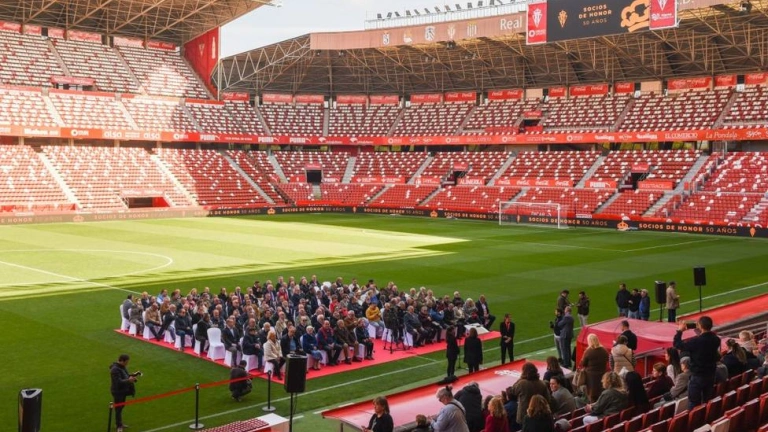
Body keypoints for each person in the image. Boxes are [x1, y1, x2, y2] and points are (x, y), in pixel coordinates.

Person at [673, 315, 721, 408]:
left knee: (694, 402)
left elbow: (677, 344)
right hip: (710, 374)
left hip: (698, 375)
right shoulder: (716, 339)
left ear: (700, 326)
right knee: (707, 400)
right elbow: (705, 336)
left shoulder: (696, 341)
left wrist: (680, 331)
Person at [110, 354, 139, 432]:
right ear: (122, 361)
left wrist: (133, 375)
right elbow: (118, 382)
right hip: (118, 392)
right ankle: (119, 426)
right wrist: (129, 380)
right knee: (118, 408)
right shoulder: (115, 370)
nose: (127, 364)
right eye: (126, 362)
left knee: (121, 407)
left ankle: (119, 423)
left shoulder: (122, 367)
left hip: (123, 391)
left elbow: (125, 375)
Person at [580, 333, 610, 403]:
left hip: (591, 377)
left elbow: (583, 364)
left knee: (592, 394)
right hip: (602, 374)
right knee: (602, 391)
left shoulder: (588, 351)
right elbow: (607, 359)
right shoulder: (604, 350)